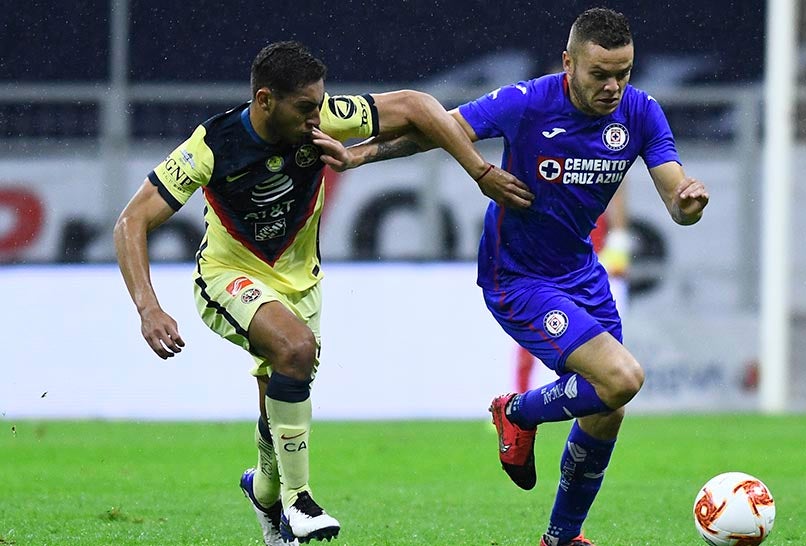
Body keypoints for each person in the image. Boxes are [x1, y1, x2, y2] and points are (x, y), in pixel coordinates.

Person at [113, 41, 533, 546]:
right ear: (265, 101)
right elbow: (132, 221)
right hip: (229, 275)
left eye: (321, 104)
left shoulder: (323, 118)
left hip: (301, 282)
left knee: (282, 394)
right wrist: (148, 308)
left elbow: (420, 107)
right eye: (306, 107)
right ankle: (300, 502)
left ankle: (265, 492)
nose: (319, 117)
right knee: (295, 350)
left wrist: (479, 171)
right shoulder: (211, 146)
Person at [333, 8, 709, 545]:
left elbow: (676, 195)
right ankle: (517, 412)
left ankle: (561, 537)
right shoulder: (528, 102)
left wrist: (688, 202)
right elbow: (439, 129)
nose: (612, 86)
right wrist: (363, 153)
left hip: (582, 272)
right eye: (599, 73)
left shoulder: (642, 113)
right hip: (518, 278)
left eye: (623, 72)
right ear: (568, 63)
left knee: (607, 409)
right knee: (621, 379)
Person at [514, 188, 631, 392]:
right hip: (551, 252)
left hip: (591, 252)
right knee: (533, 331)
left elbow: (618, 186)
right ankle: (519, 397)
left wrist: (618, 241)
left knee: (598, 337)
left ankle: (590, 400)